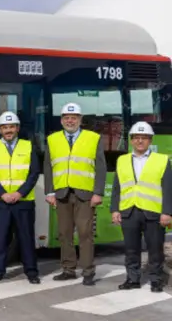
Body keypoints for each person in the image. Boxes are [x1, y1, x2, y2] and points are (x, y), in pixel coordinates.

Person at [43, 102, 106, 286]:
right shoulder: (52, 139)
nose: (70, 120)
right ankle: (68, 269)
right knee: (64, 233)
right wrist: (49, 191)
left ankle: (88, 271)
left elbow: (100, 167)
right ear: (62, 120)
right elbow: (48, 166)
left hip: (85, 194)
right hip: (62, 193)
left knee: (85, 233)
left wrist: (98, 193)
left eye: (74, 117)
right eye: (66, 117)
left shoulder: (93, 138)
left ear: (80, 119)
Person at [109, 121, 172, 292]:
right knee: (131, 249)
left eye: (144, 138)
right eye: (136, 137)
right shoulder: (122, 160)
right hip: (129, 211)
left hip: (153, 212)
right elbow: (117, 187)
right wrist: (115, 209)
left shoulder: (162, 160)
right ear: (131, 140)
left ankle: (156, 280)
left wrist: (167, 212)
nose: (140, 141)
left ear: (150, 140)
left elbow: (168, 188)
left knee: (155, 249)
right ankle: (132, 279)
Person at [0, 111, 41, 283]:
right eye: (5, 127)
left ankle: (31, 272)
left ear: (17, 128)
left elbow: (34, 172)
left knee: (26, 238)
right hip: (0, 202)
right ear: (0, 130)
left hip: (23, 201)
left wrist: (18, 193)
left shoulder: (28, 146)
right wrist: (3, 194)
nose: (8, 130)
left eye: (11, 127)